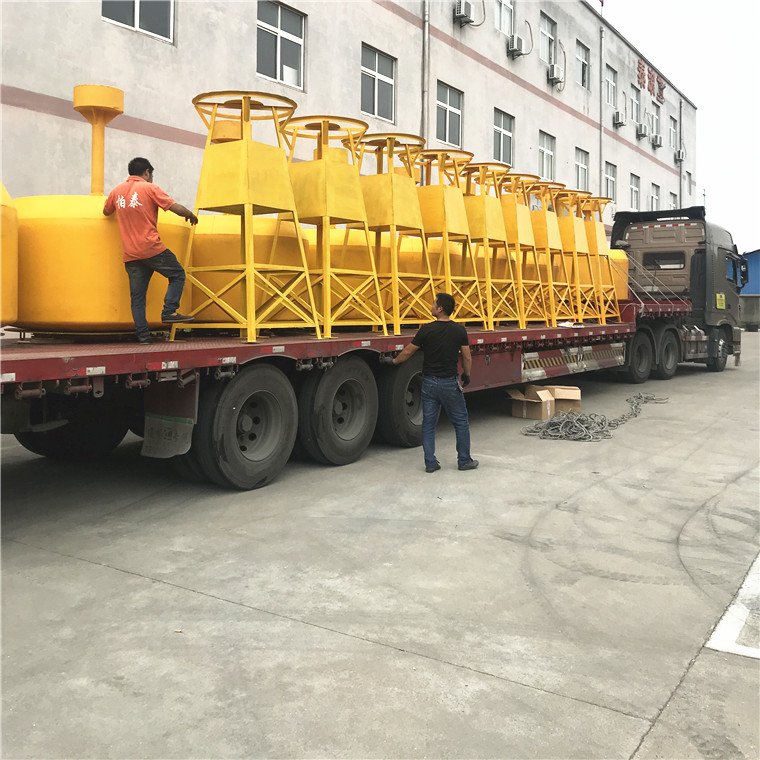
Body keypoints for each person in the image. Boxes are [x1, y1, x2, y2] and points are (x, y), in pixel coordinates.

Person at [103, 157, 198, 343]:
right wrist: (190, 214)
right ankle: (169, 311)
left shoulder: (116, 191)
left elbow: (106, 211)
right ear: (147, 172)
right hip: (151, 248)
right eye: (151, 175)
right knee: (177, 274)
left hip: (131, 254)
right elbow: (174, 207)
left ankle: (144, 338)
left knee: (137, 298)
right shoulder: (149, 188)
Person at [392, 293, 478, 473]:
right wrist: (467, 375)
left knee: (428, 424)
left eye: (433, 304)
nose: (431, 306)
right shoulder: (459, 330)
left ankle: (430, 463)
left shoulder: (426, 329)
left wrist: (394, 362)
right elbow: (467, 357)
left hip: (429, 383)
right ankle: (464, 460)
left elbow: (408, 352)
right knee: (461, 422)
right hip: (449, 383)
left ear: (440, 309)